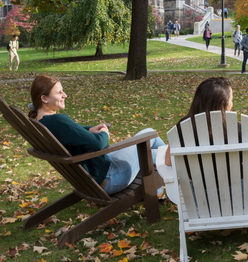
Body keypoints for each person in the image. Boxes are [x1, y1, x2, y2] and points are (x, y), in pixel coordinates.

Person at [28, 75, 165, 195]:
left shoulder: (41, 123)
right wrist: (104, 133)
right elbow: (99, 144)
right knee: (149, 134)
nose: (65, 95)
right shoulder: (57, 120)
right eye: (59, 93)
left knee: (156, 154)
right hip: (111, 177)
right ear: (44, 99)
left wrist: (89, 130)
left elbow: (73, 131)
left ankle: (162, 186)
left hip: (91, 180)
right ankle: (178, 169)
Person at [158, 77, 248, 203]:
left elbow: (169, 161)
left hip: (203, 201)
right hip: (241, 198)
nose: (232, 103)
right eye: (231, 99)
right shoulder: (237, 129)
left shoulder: (184, 127)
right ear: (223, 104)